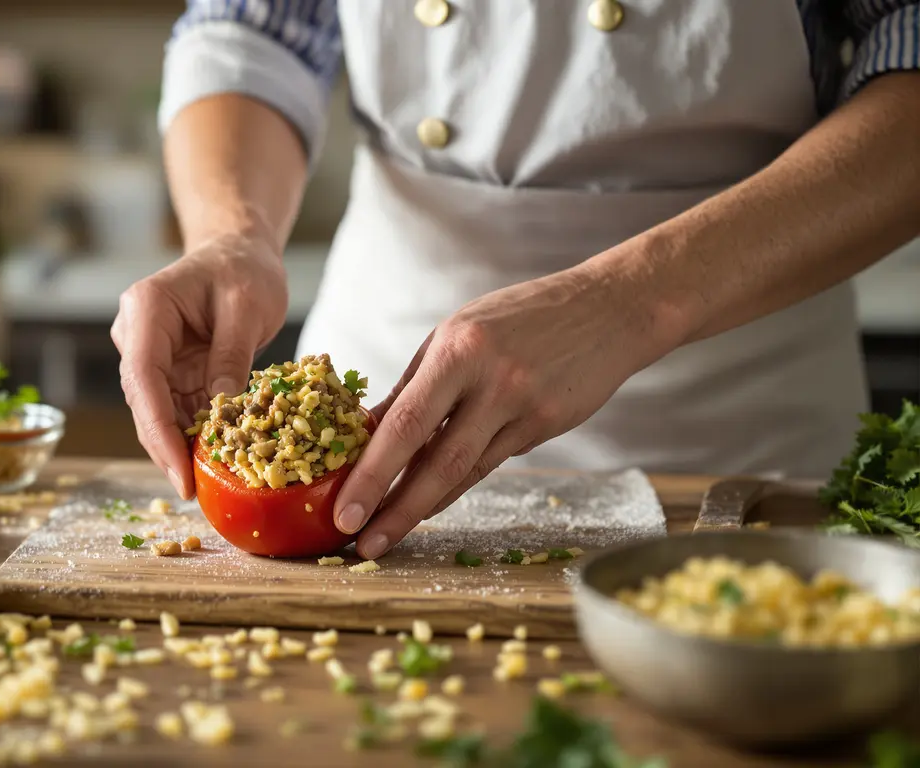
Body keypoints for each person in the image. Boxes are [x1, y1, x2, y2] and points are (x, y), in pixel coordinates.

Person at [112, 0, 920, 561]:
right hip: (393, 362)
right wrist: (233, 234)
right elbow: (257, 32)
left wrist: (629, 298)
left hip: (741, 387)